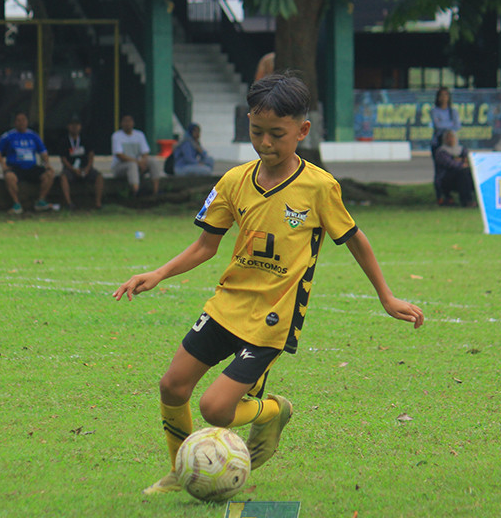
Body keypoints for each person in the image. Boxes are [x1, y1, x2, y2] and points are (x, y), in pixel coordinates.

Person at [113, 73, 425, 496]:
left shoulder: (319, 186)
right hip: (227, 305)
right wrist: (158, 273)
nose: (265, 143)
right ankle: (181, 468)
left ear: (302, 130)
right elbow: (205, 245)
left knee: (216, 409)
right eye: (257, 132)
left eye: (277, 134)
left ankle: (275, 411)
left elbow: (356, 241)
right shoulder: (233, 181)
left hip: (272, 319)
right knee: (172, 385)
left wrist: (386, 296)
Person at [0, 111, 64, 214]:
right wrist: (3, 165)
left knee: (49, 174)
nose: (21, 123)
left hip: (31, 167)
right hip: (15, 167)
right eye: (18, 120)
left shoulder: (33, 136)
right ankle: (16, 204)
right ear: (15, 122)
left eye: (23, 120)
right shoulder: (8, 136)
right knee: (9, 177)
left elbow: (43, 152)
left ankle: (41, 201)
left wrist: (47, 164)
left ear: (27, 122)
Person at [58, 114, 101, 209]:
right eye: (72, 124)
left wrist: (87, 168)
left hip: (85, 168)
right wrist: (73, 169)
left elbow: (91, 155)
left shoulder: (85, 139)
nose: (74, 127)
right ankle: (69, 203)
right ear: (68, 126)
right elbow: (63, 159)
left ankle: (98, 203)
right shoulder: (64, 141)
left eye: (77, 124)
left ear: (80, 126)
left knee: (99, 176)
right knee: (63, 176)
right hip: (70, 169)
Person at [111, 114, 161, 196]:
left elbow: (145, 152)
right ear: (121, 123)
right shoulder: (116, 136)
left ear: (133, 123)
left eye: (129, 121)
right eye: (125, 121)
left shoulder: (139, 135)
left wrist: (143, 161)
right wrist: (138, 162)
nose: (128, 123)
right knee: (132, 165)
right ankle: (136, 192)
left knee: (153, 162)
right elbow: (120, 155)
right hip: (120, 166)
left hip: (137, 164)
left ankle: (156, 191)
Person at [433, 129, 476, 207]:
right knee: (463, 173)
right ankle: (466, 201)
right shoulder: (441, 152)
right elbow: (451, 164)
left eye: (452, 137)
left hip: (463, 176)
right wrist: (462, 162)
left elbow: (469, 160)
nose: (451, 139)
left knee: (469, 173)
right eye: (448, 138)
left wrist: (460, 161)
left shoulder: (462, 150)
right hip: (447, 179)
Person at [430, 87, 460, 158]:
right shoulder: (434, 111)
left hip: (450, 143)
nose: (443, 98)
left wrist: (444, 123)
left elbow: (457, 126)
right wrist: (451, 123)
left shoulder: (453, 111)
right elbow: (437, 125)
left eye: (446, 95)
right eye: (441, 95)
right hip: (438, 142)